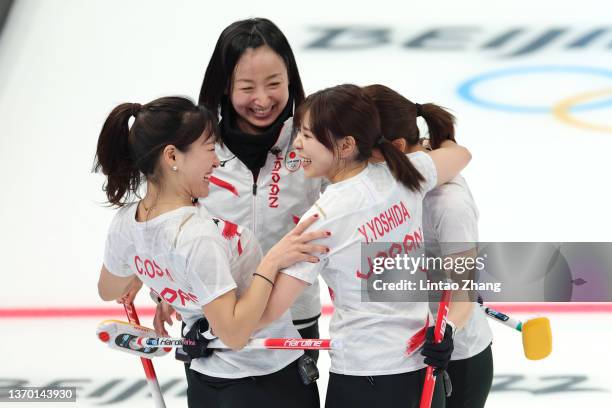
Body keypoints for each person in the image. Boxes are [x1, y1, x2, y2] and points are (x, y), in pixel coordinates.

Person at [94, 96, 323, 408]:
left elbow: (110, 289)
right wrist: (272, 261)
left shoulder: (125, 223)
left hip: (204, 382)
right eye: (209, 148)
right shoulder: (196, 235)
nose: (216, 161)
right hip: (262, 383)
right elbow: (234, 333)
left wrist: (146, 268)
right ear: (172, 156)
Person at [256, 84, 472, 408]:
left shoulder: (321, 220)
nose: (297, 145)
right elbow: (459, 155)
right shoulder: (402, 173)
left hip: (366, 381)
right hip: (421, 374)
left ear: (345, 145)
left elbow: (265, 313)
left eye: (308, 136)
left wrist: (269, 261)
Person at [154, 17, 324, 362]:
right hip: (216, 317)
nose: (262, 99)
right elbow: (168, 224)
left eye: (274, 83)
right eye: (247, 87)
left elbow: (366, 204)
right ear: (224, 87)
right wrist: (161, 289)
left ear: (290, 79)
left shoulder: (314, 142)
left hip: (293, 316)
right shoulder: (196, 152)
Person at [363, 84, 494, 408]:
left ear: (394, 147)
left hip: (456, 358)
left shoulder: (448, 203)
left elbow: (463, 292)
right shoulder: (392, 181)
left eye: (362, 148)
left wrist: (446, 330)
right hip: (407, 351)